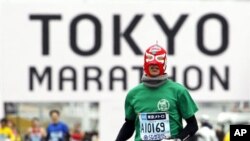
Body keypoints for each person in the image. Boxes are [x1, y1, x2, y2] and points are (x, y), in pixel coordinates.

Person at [116, 44, 199, 141]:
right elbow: (129, 125)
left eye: (158, 64)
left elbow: (193, 125)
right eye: (151, 64)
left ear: (164, 64)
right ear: (145, 64)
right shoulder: (133, 94)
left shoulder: (178, 91)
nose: (155, 66)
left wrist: (178, 139)